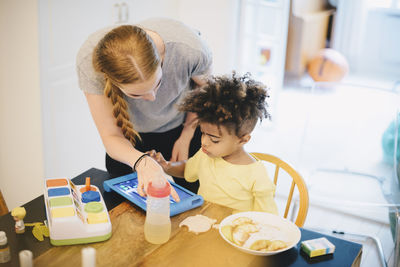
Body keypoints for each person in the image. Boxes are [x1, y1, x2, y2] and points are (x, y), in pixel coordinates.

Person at [76, 18, 213, 199]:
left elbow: (206, 91)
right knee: (125, 204)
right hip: (127, 137)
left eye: (158, 83)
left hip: (182, 125)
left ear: (161, 60)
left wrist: (187, 132)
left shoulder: (189, 49)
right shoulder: (89, 62)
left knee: (198, 196)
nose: (152, 98)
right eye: (136, 95)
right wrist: (141, 162)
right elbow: (111, 135)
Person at [149, 72, 278, 214]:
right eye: (203, 133)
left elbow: (268, 218)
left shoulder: (256, 174)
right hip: (205, 224)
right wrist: (166, 166)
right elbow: (187, 170)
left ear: (242, 139)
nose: (204, 142)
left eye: (214, 139)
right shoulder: (206, 154)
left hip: (235, 233)